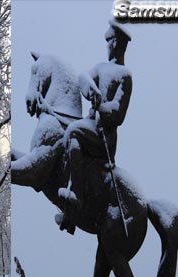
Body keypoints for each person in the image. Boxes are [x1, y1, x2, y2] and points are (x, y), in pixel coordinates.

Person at [56, 21, 133, 234]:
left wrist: (102, 107)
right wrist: (91, 89)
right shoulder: (101, 68)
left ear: (118, 44)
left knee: (72, 131)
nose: (107, 46)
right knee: (69, 134)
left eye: (110, 42)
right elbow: (83, 77)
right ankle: (71, 208)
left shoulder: (125, 77)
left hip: (104, 136)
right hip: (90, 128)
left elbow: (118, 114)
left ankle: (77, 196)